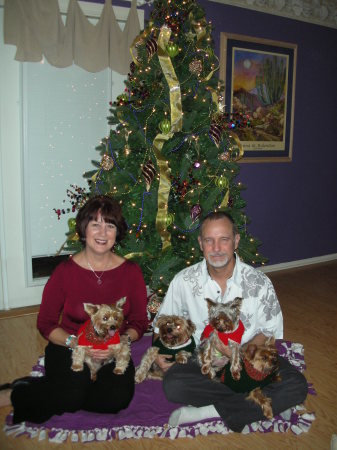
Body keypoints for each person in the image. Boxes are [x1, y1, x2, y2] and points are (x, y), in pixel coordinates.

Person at [152, 211, 308, 432]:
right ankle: (258, 400)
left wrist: (239, 353)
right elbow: (161, 324)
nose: (216, 248)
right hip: (202, 360)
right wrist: (159, 350)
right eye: (209, 240)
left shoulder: (259, 282)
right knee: (173, 385)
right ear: (200, 243)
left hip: (249, 359)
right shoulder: (183, 281)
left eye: (223, 239)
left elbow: (270, 332)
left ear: (235, 241)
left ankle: (210, 411)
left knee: (296, 386)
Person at [0, 195, 148, 424]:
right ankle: (17, 393)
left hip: (114, 349)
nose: (102, 233)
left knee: (115, 401)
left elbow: (139, 321)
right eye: (95, 224)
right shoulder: (65, 272)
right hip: (70, 345)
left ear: (117, 233)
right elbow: (46, 323)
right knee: (72, 393)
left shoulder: (131, 272)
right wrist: (77, 343)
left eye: (110, 225)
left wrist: (120, 343)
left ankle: (50, 388)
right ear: (83, 229)